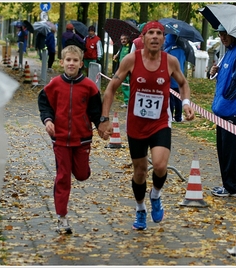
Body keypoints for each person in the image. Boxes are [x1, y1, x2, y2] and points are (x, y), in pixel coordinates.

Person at [98, 21, 195, 231]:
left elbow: (184, 83)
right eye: (150, 33)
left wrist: (186, 104)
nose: (155, 37)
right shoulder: (130, 60)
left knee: (160, 165)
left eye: (159, 33)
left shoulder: (170, 62)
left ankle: (156, 196)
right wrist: (104, 118)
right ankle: (140, 208)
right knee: (140, 172)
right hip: (136, 124)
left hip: (160, 122)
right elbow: (111, 88)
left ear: (163, 38)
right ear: (142, 38)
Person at [38, 45, 103, 234]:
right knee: (63, 177)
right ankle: (62, 217)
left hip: (82, 138)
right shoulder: (54, 84)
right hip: (60, 139)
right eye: (68, 60)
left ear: (81, 63)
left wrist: (101, 126)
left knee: (82, 175)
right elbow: (44, 104)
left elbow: (95, 111)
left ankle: (81, 169)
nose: (71, 63)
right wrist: (48, 120)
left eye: (75, 60)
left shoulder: (89, 86)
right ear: (62, 62)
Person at [209, 24, 236, 198]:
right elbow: (227, 78)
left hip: (233, 111)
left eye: (225, 34)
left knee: (231, 150)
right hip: (223, 110)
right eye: (220, 35)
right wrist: (216, 73)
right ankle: (227, 184)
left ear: (234, 34)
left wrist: (227, 99)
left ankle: (233, 187)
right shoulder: (229, 52)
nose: (222, 38)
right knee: (223, 149)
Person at [164, 34, 186, 123]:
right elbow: (184, 63)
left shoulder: (167, 50)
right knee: (179, 98)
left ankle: (170, 116)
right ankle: (178, 117)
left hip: (171, 78)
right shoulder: (182, 50)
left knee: (171, 99)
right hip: (180, 77)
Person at [113, 34, 132, 108]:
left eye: (125, 39)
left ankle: (131, 101)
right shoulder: (121, 47)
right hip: (122, 69)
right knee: (124, 85)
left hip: (129, 69)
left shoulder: (130, 46)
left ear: (128, 39)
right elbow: (118, 57)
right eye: (121, 39)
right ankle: (126, 101)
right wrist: (116, 56)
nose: (123, 40)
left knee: (129, 85)